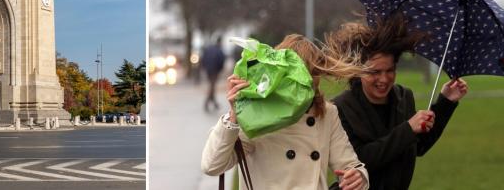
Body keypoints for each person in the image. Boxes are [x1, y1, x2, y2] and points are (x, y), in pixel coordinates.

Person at [201, 35, 370, 190]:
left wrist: (358, 177)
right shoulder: (257, 115)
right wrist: (233, 115)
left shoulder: (326, 113)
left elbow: (350, 165)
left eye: (309, 76)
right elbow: (212, 165)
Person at [330, 13, 469, 190]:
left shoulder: (404, 97)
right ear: (359, 71)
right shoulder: (341, 107)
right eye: (375, 72)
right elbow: (359, 160)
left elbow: (418, 146)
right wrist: (408, 128)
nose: (384, 79)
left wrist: (446, 102)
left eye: (390, 70)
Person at [201, 37, 226, 112]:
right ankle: (207, 103)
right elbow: (221, 61)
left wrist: (204, 67)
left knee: (212, 85)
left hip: (208, 70)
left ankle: (214, 103)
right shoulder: (219, 50)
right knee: (212, 86)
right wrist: (220, 70)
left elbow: (203, 58)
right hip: (215, 71)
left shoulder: (209, 49)